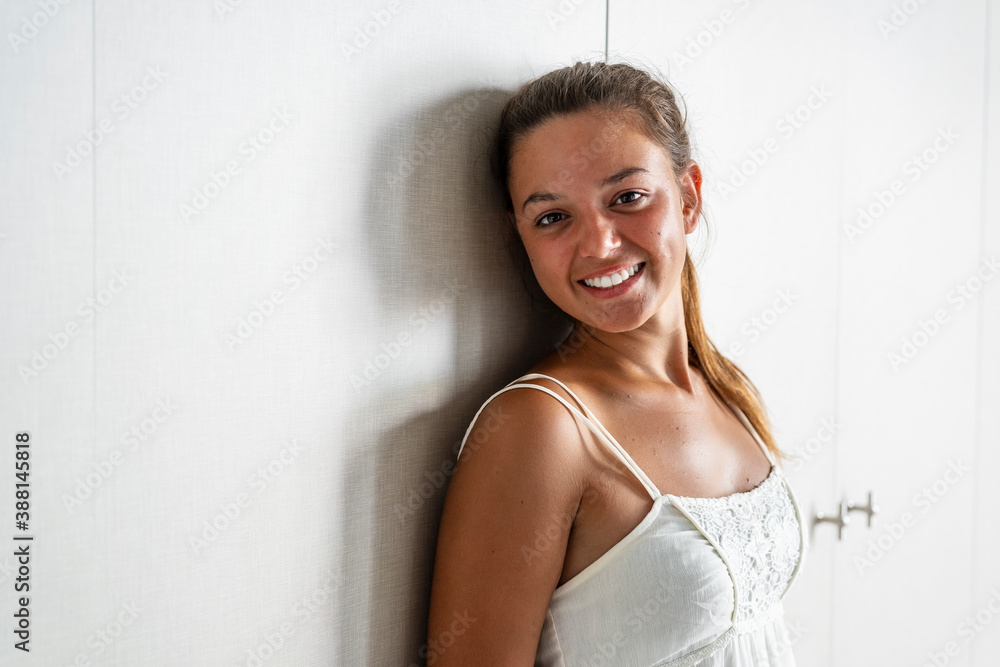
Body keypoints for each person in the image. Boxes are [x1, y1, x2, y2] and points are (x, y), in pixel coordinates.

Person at [427, 60, 808, 666]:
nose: (599, 243)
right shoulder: (542, 429)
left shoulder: (722, 388)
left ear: (687, 198)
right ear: (520, 237)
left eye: (627, 197)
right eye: (553, 216)